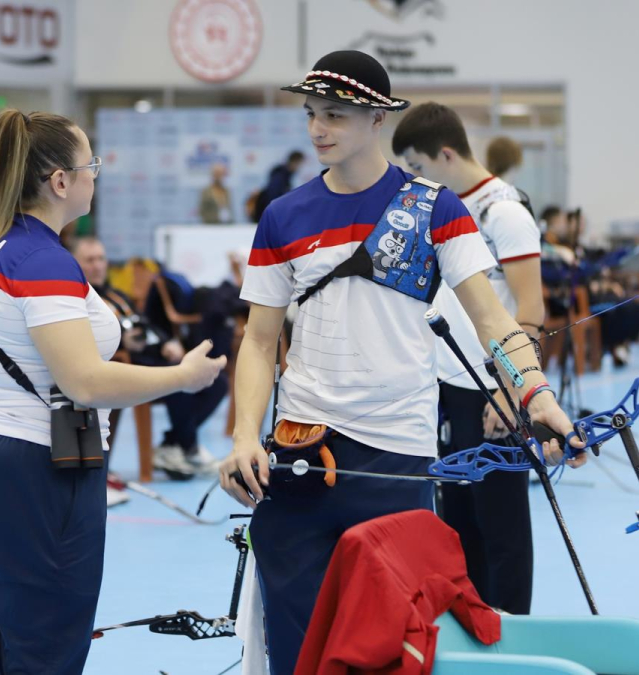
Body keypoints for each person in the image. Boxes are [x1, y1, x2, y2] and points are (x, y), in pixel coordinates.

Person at [218, 50, 585, 675]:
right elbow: (258, 342)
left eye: (335, 115)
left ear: (377, 119)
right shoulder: (283, 216)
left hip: (398, 456)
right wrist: (244, 436)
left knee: (394, 645)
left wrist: (536, 396)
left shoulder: (438, 209)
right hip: (300, 451)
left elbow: (494, 321)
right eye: (311, 113)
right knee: (297, 649)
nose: (318, 128)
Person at [0, 109, 226, 675]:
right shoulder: (42, 261)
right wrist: (182, 377)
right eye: (89, 164)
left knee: (13, 640)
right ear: (60, 181)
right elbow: (85, 381)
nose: (95, 175)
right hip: (36, 469)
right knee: (45, 649)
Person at [392, 102, 544, 614]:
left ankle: (513, 633)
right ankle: (475, 628)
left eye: (419, 166)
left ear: (446, 154)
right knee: (458, 523)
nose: (416, 178)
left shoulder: (504, 212)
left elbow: (531, 310)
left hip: (493, 390)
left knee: (502, 524)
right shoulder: (446, 209)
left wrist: (510, 387)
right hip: (448, 388)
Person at [72, 237, 223, 478]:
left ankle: (174, 444)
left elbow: (147, 323)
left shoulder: (118, 295)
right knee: (179, 377)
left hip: (154, 356)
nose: (98, 265)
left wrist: (167, 342)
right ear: (75, 264)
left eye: (101, 259)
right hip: (126, 363)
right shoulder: (77, 300)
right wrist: (123, 342)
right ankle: (186, 447)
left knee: (217, 382)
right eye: (90, 260)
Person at [252, 150, 305, 222]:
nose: (299, 168)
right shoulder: (280, 175)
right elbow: (273, 196)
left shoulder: (285, 175)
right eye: (300, 164)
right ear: (295, 162)